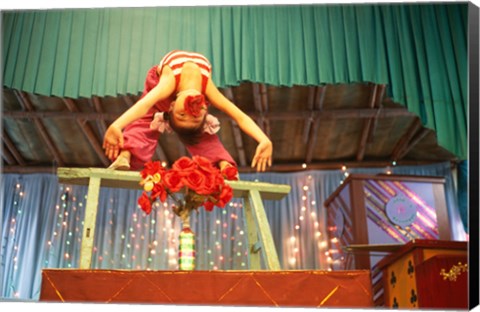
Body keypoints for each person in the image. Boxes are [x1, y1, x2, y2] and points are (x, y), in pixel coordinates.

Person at [103, 50, 272, 172]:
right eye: (196, 116)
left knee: (194, 132)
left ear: (172, 107)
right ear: (205, 109)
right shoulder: (207, 90)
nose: (190, 112)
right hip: (160, 88)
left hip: (166, 86)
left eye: (182, 115)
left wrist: (116, 125)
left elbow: (145, 104)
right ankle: (125, 156)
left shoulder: (168, 84)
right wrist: (264, 139)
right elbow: (240, 116)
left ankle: (223, 165)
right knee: (147, 120)